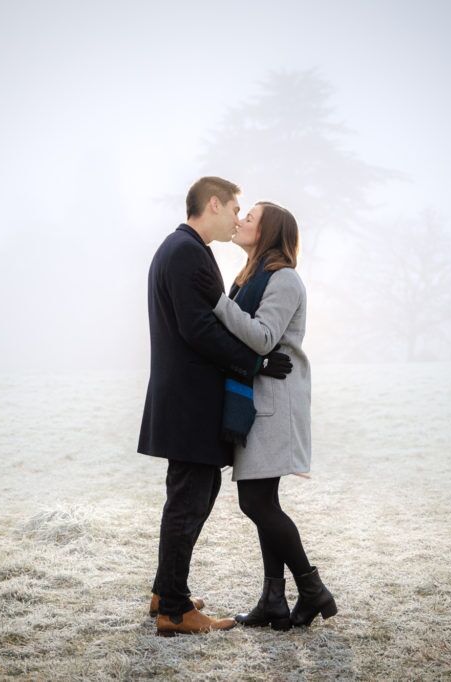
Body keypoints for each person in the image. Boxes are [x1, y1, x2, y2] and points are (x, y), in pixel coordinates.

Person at [138, 177, 294, 637]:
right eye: (234, 208)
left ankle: (165, 590)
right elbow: (198, 328)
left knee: (190, 498)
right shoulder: (187, 250)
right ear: (213, 203)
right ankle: (174, 609)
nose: (236, 218)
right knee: (190, 501)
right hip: (190, 402)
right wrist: (259, 361)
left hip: (184, 399)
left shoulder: (181, 248)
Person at [192, 201, 337, 630]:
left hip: (275, 402)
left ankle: (311, 588)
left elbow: (263, 337)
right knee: (262, 501)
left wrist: (218, 302)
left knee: (256, 501)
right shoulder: (251, 277)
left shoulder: (284, 279)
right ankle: (275, 600)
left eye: (249, 218)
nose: (239, 221)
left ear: (269, 232)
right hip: (258, 399)